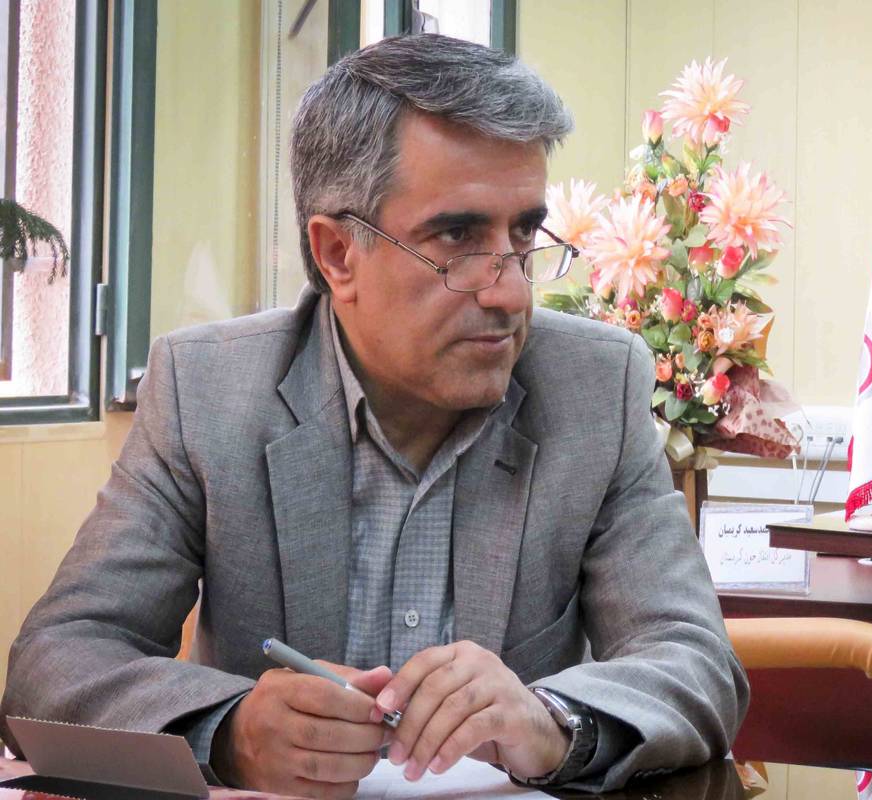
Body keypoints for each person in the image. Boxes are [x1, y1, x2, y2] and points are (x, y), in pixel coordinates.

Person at [1, 35, 748, 798]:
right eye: (458, 238)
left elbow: (696, 664)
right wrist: (229, 732)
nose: (512, 291)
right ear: (337, 255)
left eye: (523, 234)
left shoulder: (594, 385)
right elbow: (57, 664)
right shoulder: (209, 392)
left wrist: (552, 721)